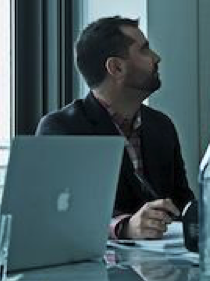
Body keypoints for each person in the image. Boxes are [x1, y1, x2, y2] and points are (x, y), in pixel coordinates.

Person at [37, 17, 195, 240]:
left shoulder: (162, 126)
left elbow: (182, 202)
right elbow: (59, 214)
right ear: (116, 67)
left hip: (166, 265)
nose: (156, 58)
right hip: (97, 269)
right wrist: (124, 227)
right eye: (145, 50)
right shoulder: (63, 129)